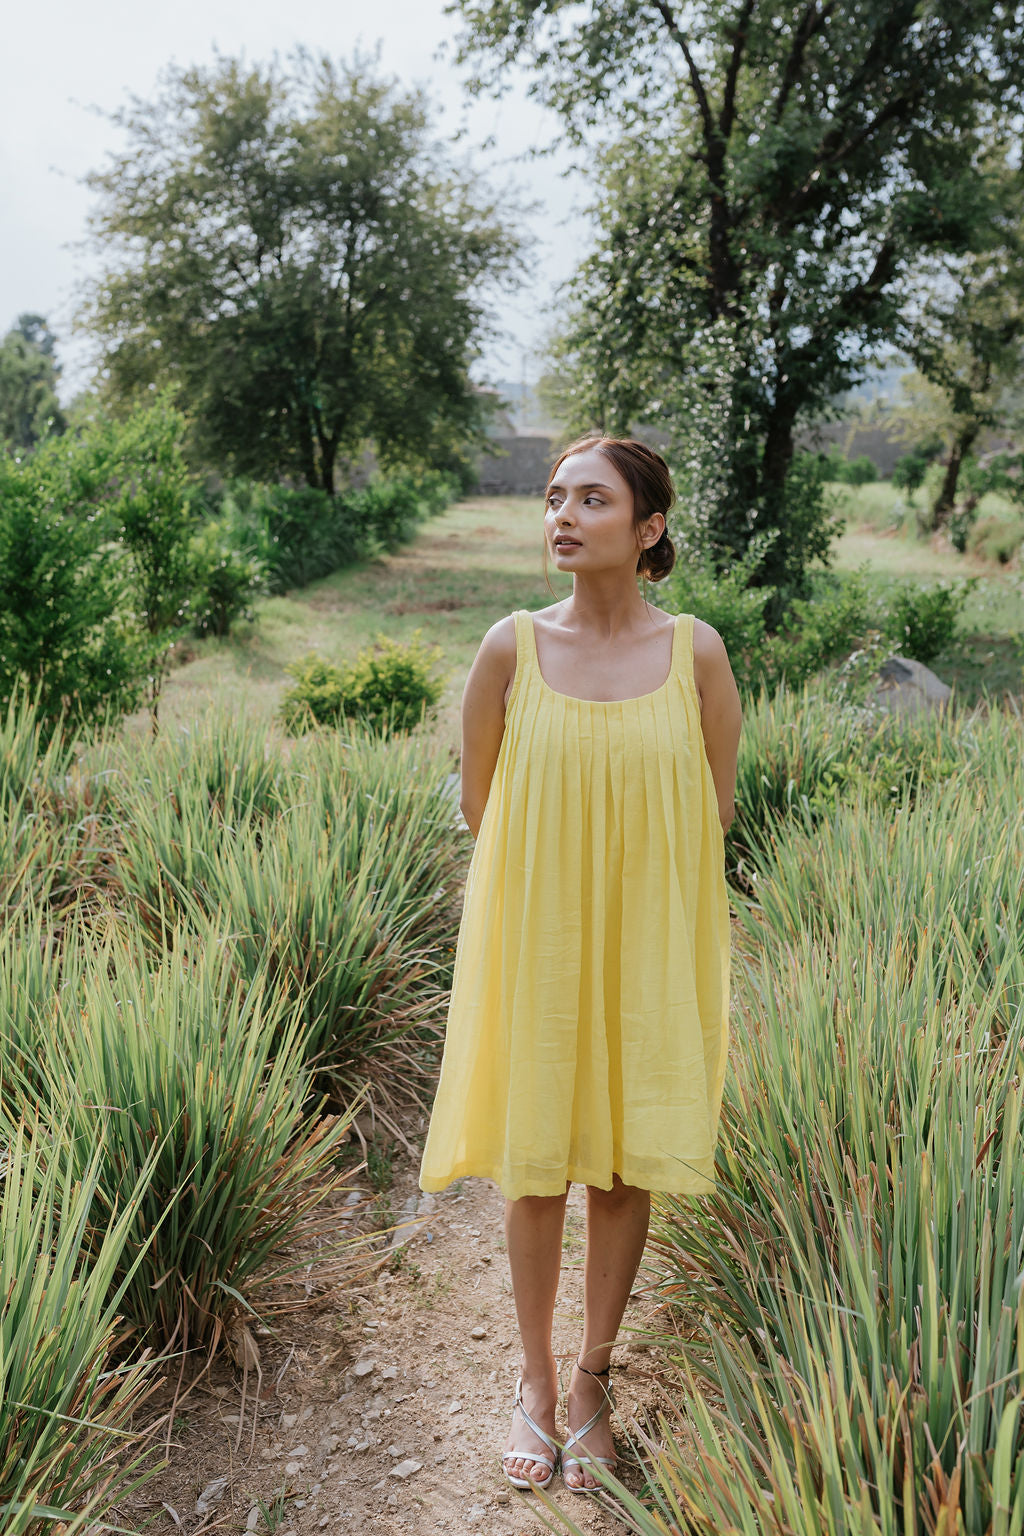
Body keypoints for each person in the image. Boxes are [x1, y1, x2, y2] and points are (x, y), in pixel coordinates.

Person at [419, 436, 741, 1493]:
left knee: (620, 1161)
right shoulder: (509, 649)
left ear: (647, 529)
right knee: (534, 1162)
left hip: (648, 940)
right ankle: (533, 1384)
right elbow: (481, 808)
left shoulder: (696, 653)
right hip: (538, 938)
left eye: (590, 499)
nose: (561, 513)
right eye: (553, 496)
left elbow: (712, 810)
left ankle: (594, 1380)